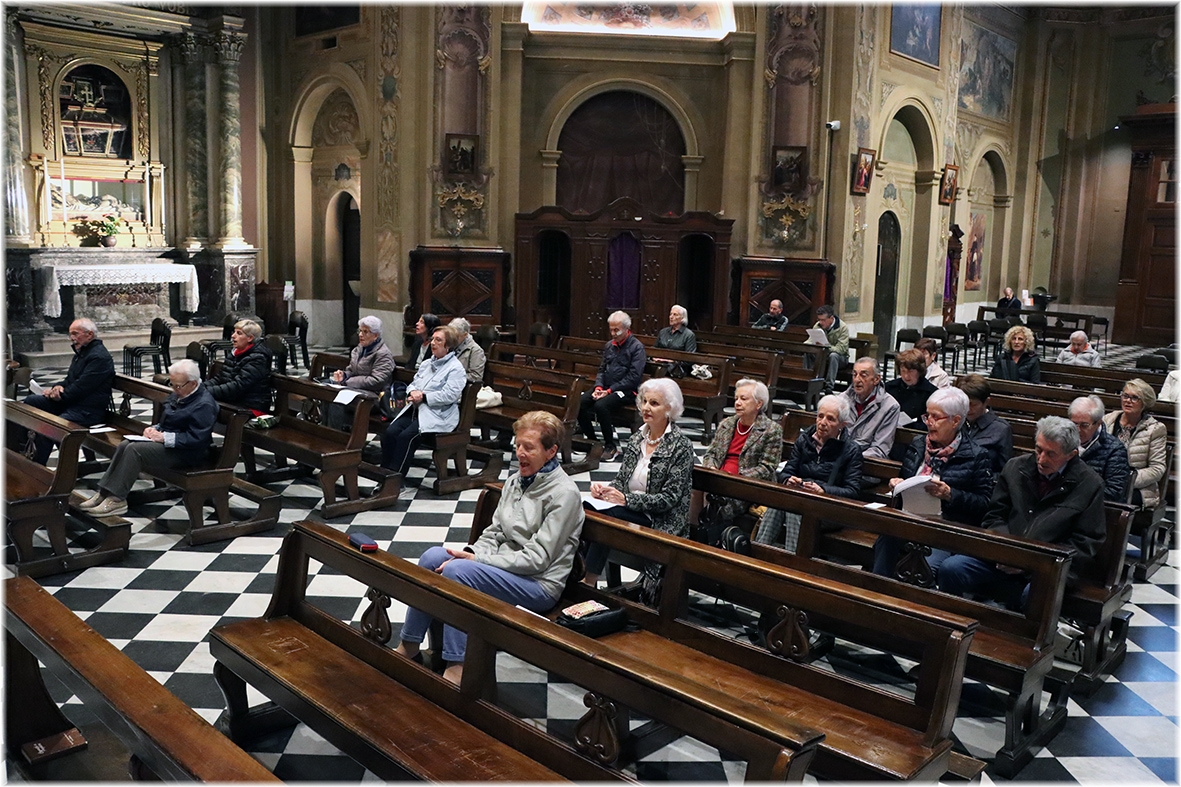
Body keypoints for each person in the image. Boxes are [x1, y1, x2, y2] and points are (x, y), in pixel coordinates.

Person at [393, 411, 584, 685]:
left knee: (457, 572)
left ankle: (459, 667)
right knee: (431, 557)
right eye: (518, 445)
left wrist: (476, 561)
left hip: (539, 584)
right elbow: (494, 532)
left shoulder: (564, 494)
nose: (520, 453)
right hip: (505, 569)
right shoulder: (516, 481)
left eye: (529, 447)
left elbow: (537, 560)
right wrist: (473, 553)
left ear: (551, 451)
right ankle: (409, 647)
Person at [936, 416, 1106, 609]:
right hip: (1002, 555)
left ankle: (1023, 630)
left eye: (1051, 454)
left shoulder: (1089, 484)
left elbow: (1085, 541)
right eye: (1038, 450)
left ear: (1071, 455)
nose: (1041, 459)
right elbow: (995, 515)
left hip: (1047, 567)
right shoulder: (1015, 467)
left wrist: (1029, 562)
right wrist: (1008, 553)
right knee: (952, 568)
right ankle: (953, 621)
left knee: (1036, 593)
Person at [584, 378, 694, 595]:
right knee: (586, 509)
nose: (646, 408)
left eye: (654, 403)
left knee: (608, 518)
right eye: (644, 401)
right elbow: (622, 480)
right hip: (631, 510)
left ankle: (588, 583)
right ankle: (577, 573)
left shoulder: (681, 446)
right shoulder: (637, 439)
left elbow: (669, 498)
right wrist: (606, 491)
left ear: (670, 409)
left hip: (661, 519)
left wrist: (626, 499)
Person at [872, 388, 995, 578]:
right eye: (927, 415)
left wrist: (950, 494)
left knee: (923, 569)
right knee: (885, 539)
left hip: (946, 531)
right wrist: (898, 484)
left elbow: (984, 504)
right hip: (910, 521)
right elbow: (905, 479)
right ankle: (877, 590)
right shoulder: (918, 444)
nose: (929, 422)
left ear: (955, 421)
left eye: (936, 417)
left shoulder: (976, 455)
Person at [78, 360, 218, 517]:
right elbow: (168, 421)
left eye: (177, 386)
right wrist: (155, 429)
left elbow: (197, 438)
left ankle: (117, 500)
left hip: (189, 453)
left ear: (193, 384)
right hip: (174, 446)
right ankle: (104, 493)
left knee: (135, 450)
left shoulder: (204, 404)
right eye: (172, 385)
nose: (174, 390)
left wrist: (164, 437)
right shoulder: (182, 393)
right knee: (125, 444)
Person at [754, 394, 863, 551]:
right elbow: (787, 471)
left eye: (830, 419)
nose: (822, 422)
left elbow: (852, 491)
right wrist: (788, 479)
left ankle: (795, 561)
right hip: (800, 497)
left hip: (830, 508)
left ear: (842, 424)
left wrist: (823, 490)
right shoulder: (804, 440)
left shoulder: (851, 450)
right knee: (780, 502)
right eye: (820, 416)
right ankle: (759, 553)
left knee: (795, 508)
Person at [692, 379, 783, 545]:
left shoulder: (771, 430)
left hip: (747, 485)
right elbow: (711, 453)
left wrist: (735, 477)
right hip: (718, 477)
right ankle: (690, 539)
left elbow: (767, 467)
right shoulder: (727, 424)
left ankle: (712, 544)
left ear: (759, 404)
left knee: (719, 499)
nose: (737, 403)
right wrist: (711, 467)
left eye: (743, 399)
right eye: (736, 398)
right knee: (693, 487)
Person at [17, 318, 114, 465]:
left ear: (89, 335)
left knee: (49, 426)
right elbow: (70, 380)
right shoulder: (83, 352)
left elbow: (81, 388)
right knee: (30, 402)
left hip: (88, 411)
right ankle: (21, 453)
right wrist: (57, 387)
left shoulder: (99, 357)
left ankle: (37, 468)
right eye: (70, 334)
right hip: (73, 403)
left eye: (75, 334)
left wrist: (59, 395)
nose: (72, 338)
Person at [380, 325, 466, 475]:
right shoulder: (426, 364)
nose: (433, 343)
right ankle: (384, 474)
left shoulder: (455, 369)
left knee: (407, 437)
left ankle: (396, 478)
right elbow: (414, 384)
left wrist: (424, 396)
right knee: (390, 432)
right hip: (416, 410)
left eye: (438, 340)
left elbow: (450, 395)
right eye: (432, 339)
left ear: (448, 346)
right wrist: (412, 391)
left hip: (438, 415)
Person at [577, 310, 646, 462]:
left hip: (627, 391)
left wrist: (609, 391)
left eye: (617, 330)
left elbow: (633, 378)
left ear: (627, 329)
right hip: (606, 388)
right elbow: (602, 370)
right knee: (580, 402)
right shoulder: (609, 346)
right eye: (611, 330)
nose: (613, 334)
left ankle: (610, 445)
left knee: (601, 406)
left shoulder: (637, 348)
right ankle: (593, 441)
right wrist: (598, 388)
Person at [1103, 378, 1168, 509]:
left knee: (1109, 497)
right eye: (1125, 396)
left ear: (1144, 402)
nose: (1128, 400)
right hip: (1104, 480)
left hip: (1137, 488)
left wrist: (1127, 480)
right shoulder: (1108, 419)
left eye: (1134, 398)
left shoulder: (1155, 429)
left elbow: (1157, 468)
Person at [323, 316, 396, 430]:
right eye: (360, 331)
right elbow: (351, 370)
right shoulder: (359, 349)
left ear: (376, 335)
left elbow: (377, 380)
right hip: (356, 391)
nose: (361, 335)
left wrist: (348, 382)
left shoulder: (383, 354)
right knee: (327, 390)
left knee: (337, 399)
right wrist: (344, 375)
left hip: (373, 397)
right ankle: (324, 431)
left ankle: (335, 435)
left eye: (365, 332)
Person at [1069, 395, 1131, 503]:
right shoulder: (1062, 441)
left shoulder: (1115, 450)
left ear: (1098, 424)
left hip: (1094, 508)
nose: (1077, 430)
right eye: (1074, 424)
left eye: (1084, 425)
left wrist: (1073, 496)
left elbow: (1113, 493)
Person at [205, 319, 273, 414]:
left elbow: (237, 386)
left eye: (239, 333)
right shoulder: (235, 353)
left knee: (200, 405)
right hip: (234, 400)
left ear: (250, 338)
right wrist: (200, 387)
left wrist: (206, 391)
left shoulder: (258, 358)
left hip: (250, 407)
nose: (233, 336)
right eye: (234, 332)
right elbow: (220, 378)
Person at [838, 357, 901, 459]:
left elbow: (880, 449)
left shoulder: (890, 406)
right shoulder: (841, 399)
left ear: (876, 379)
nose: (857, 380)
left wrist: (851, 458)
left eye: (863, 375)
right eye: (854, 374)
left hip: (865, 462)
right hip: (838, 458)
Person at [955, 374, 1014, 474]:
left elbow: (1005, 471)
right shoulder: (956, 421)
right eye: (964, 404)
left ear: (986, 402)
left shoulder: (1001, 429)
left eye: (973, 404)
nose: (968, 409)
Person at [884, 348, 938, 422]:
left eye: (911, 371)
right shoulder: (889, 388)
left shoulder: (931, 393)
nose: (906, 376)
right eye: (903, 371)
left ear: (919, 371)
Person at [809, 305, 849, 395]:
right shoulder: (818, 325)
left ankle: (829, 386)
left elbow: (841, 349)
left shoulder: (842, 328)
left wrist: (826, 347)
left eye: (823, 320)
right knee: (808, 352)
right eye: (819, 319)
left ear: (831, 318)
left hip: (840, 358)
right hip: (823, 356)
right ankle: (809, 380)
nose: (820, 322)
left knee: (833, 355)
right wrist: (807, 345)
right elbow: (811, 339)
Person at [449, 317, 487, 384]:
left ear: (465, 335)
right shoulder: (448, 345)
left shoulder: (476, 350)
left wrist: (452, 377)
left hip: (462, 386)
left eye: (455, 336)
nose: (452, 339)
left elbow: (476, 377)